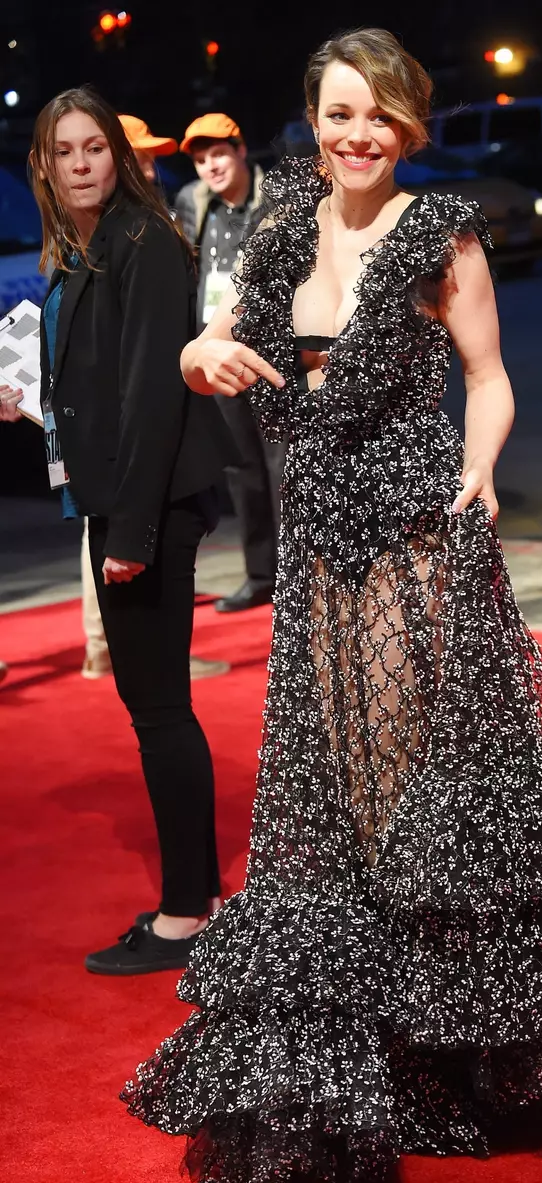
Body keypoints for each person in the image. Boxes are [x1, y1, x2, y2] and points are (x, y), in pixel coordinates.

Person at [121, 29, 542, 1183]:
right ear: (313, 120)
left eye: (381, 115)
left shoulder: (439, 232)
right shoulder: (279, 230)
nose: (359, 133)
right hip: (317, 545)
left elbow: (488, 376)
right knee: (333, 788)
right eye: (341, 112)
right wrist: (195, 360)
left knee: (405, 781)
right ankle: (375, 1028)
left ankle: (440, 1040)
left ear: (407, 127)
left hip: (414, 530)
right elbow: (209, 341)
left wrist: (480, 464)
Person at [13, 85, 234, 975]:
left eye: (93, 148)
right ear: (42, 164)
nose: (80, 164)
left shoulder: (142, 240)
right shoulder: (86, 246)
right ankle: (192, 898)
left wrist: (132, 535)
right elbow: (97, 387)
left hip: (150, 506)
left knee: (159, 708)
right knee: (154, 704)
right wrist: (30, 401)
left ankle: (185, 915)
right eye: (63, 151)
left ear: (118, 154)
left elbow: (152, 397)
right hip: (118, 498)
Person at [78, 113, 229, 682]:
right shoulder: (126, 232)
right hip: (130, 422)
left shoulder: (136, 223)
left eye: (149, 159)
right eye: (136, 158)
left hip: (128, 419)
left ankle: (107, 644)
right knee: (116, 522)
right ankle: (118, 645)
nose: (147, 168)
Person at [175, 114, 285, 613]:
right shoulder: (194, 204)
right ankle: (261, 575)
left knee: (282, 465)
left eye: (218, 153)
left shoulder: (276, 200)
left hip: (269, 353)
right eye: (201, 160)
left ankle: (299, 576)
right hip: (218, 355)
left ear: (241, 150)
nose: (211, 166)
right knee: (241, 468)